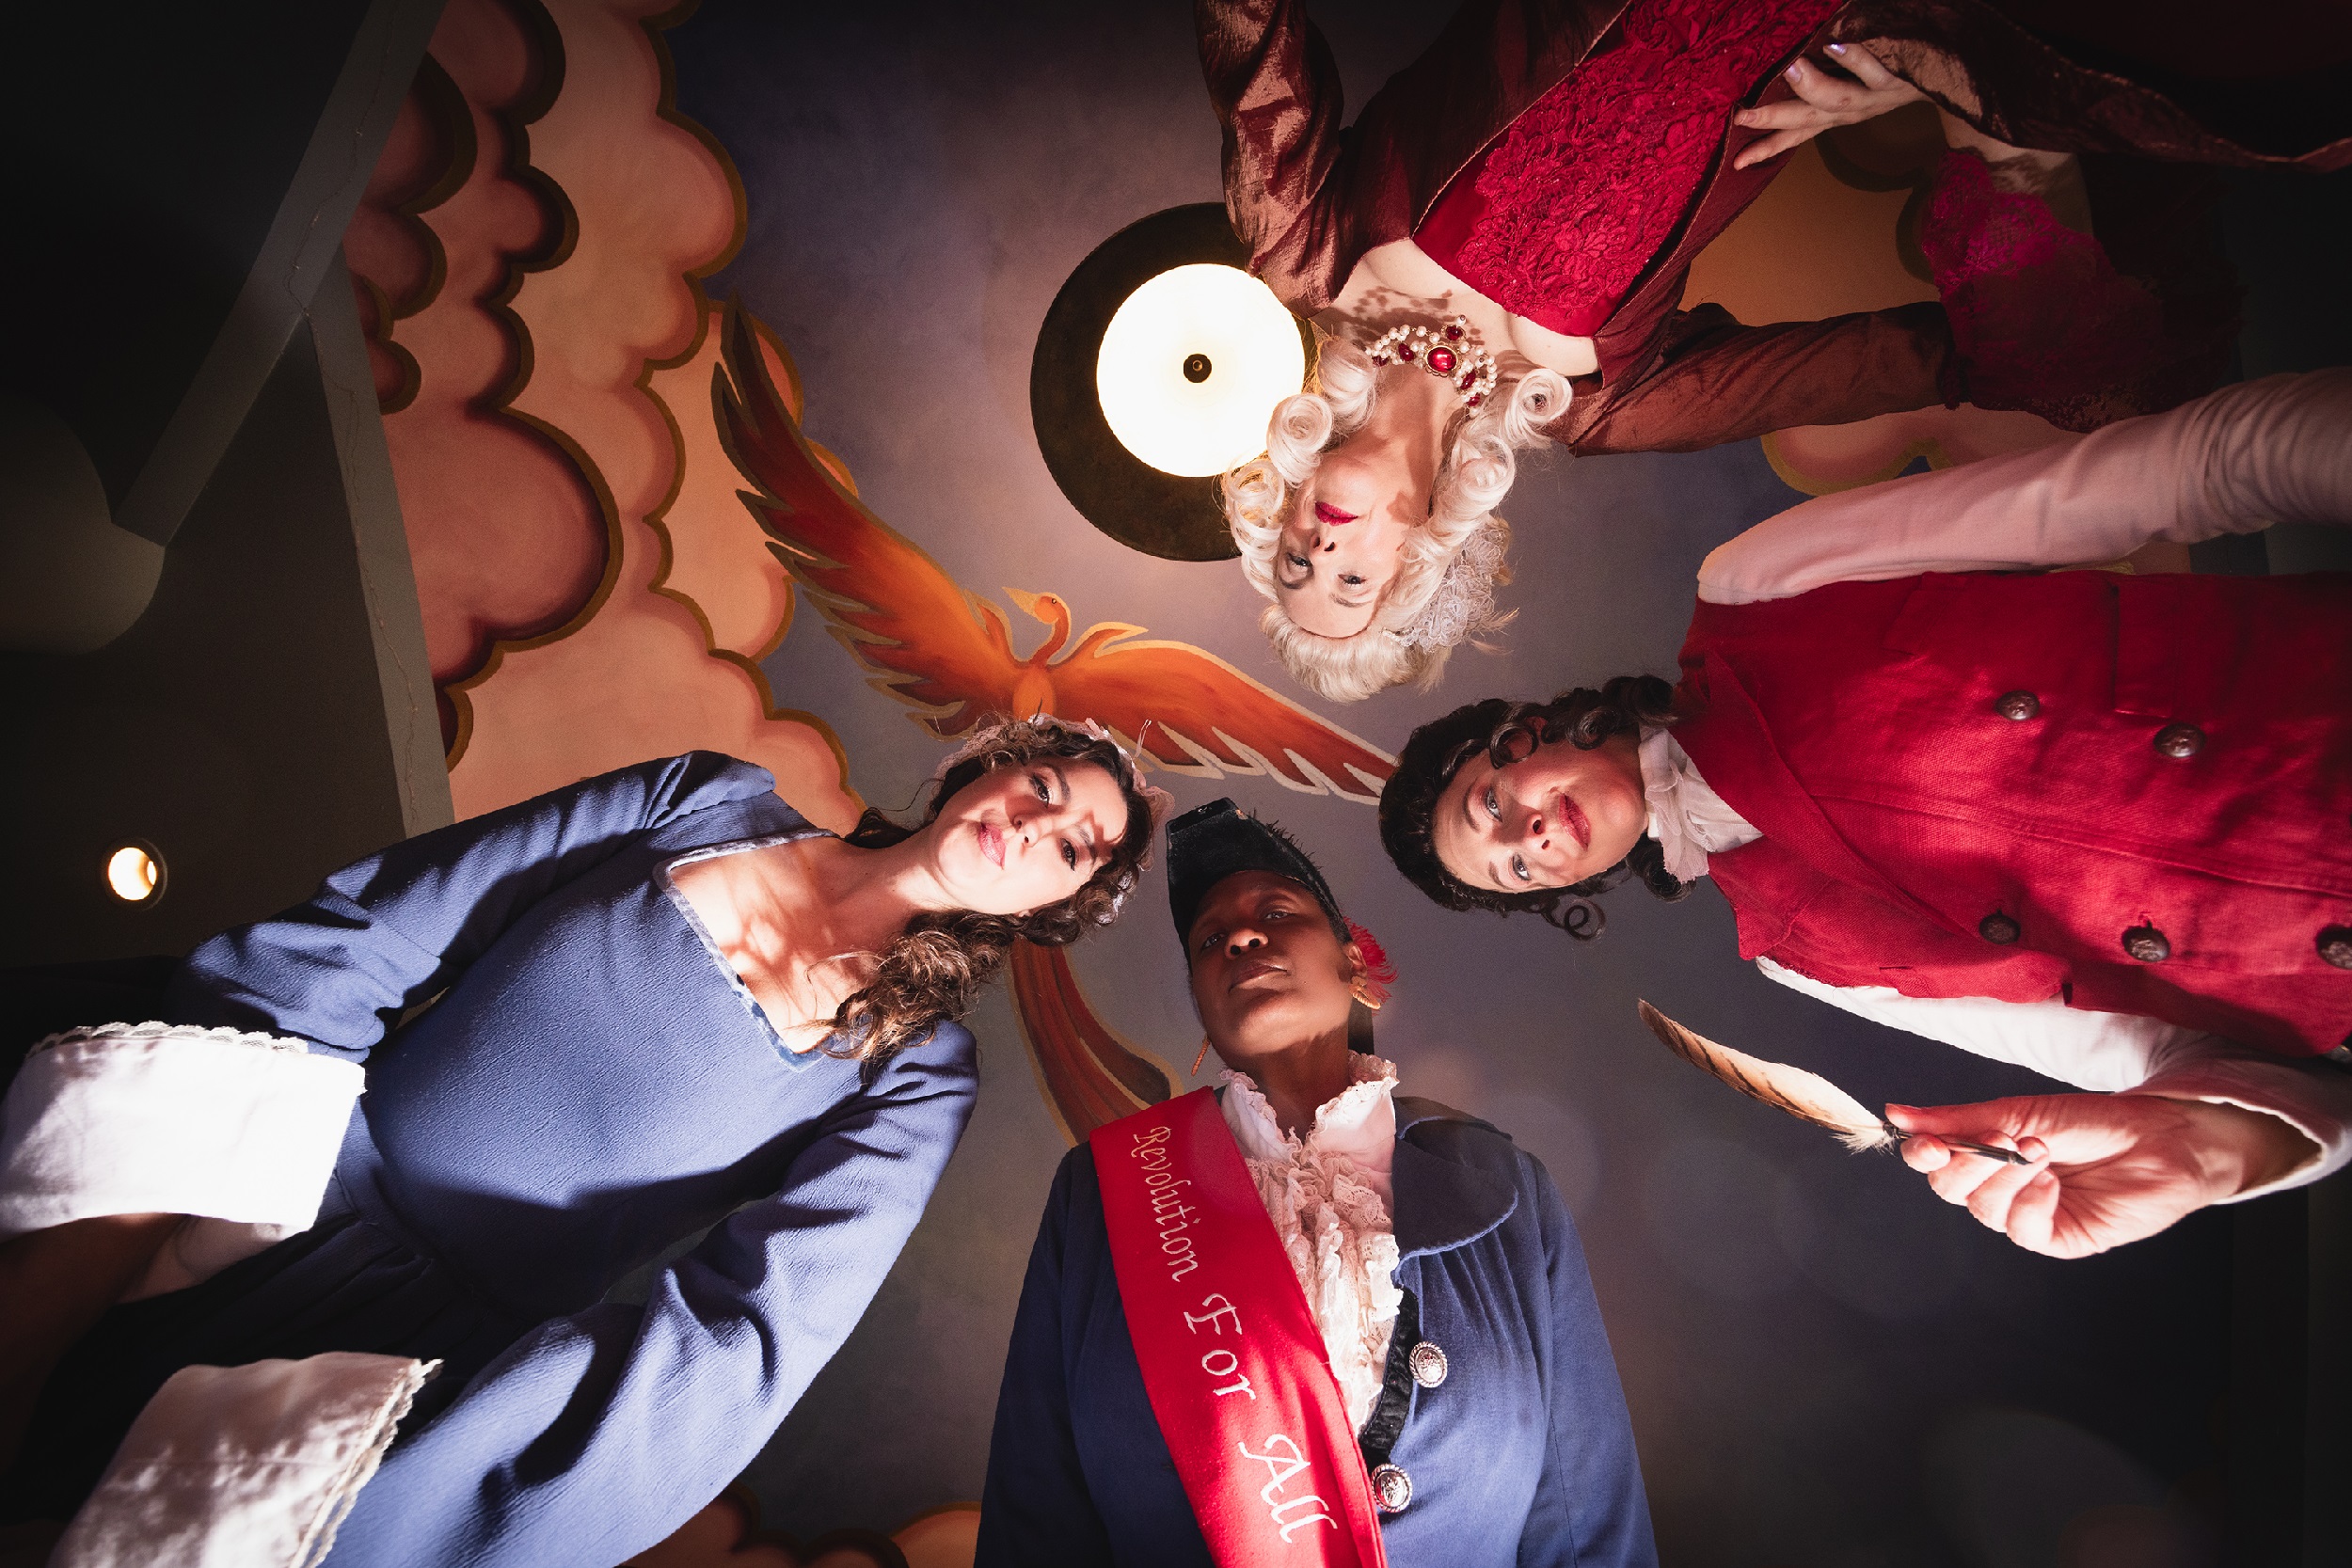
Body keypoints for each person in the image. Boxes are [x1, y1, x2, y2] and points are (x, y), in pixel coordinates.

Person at [0, 719, 1162, 1565]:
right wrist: (182, 1133)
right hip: (263, 1156)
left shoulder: (915, 1073)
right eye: (1043, 783)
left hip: (393, 1360)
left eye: (1074, 848)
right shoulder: (702, 798)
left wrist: (473, 1470)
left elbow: (746, 1341)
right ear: (983, 767)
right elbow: (378, 928)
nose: (1036, 823)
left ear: (1048, 910)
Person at [1376, 369, 2352, 1259]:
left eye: (1491, 802)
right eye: (1516, 868)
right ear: (1569, 888)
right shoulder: (1798, 955)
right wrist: (2200, 1151)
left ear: (1526, 733)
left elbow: (2188, 471)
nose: (1530, 836)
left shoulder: (1758, 588)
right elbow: (2177, 1064)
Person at [1200, 0, 2352, 700]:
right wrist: (1933, 98)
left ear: (1281, 511)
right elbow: (1919, 360)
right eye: (1350, 583)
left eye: (1294, 564)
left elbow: (1254, 46)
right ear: (1418, 555)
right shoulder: (1602, 407)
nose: (1320, 551)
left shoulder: (1303, 256)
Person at [977, 799, 1655, 1566]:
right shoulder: (1104, 1193)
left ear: (1353, 963)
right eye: (1210, 939)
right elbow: (1034, 1511)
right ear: (1203, 1008)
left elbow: (1590, 1514)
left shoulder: (1504, 1186)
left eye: (1275, 911)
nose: (1240, 936)